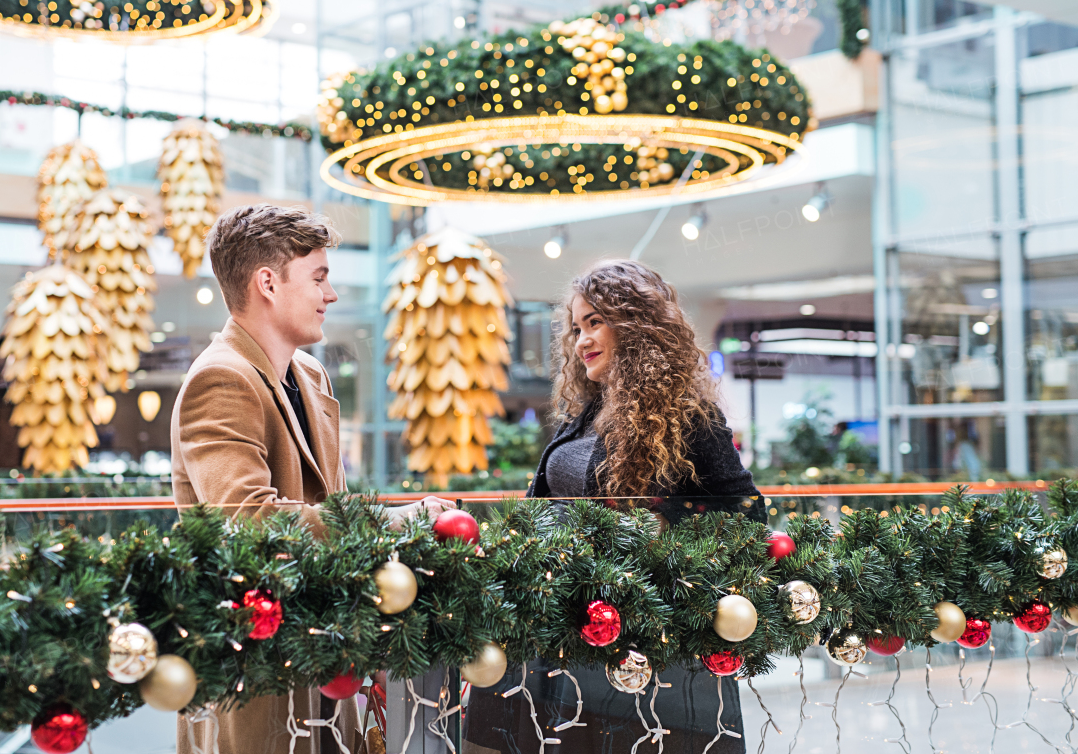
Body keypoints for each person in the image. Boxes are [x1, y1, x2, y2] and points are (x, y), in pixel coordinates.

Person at [171, 204, 453, 754]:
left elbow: (330, 506)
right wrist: (394, 520)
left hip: (322, 654)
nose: (332, 294)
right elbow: (250, 523)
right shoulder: (220, 379)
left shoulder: (309, 374)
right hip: (256, 666)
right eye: (319, 277)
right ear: (268, 283)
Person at [463, 259, 763, 754]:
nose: (581, 339)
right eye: (577, 327)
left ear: (638, 326)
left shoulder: (689, 416)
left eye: (596, 321)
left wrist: (657, 532)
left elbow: (746, 514)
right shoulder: (587, 412)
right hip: (565, 622)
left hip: (636, 645)